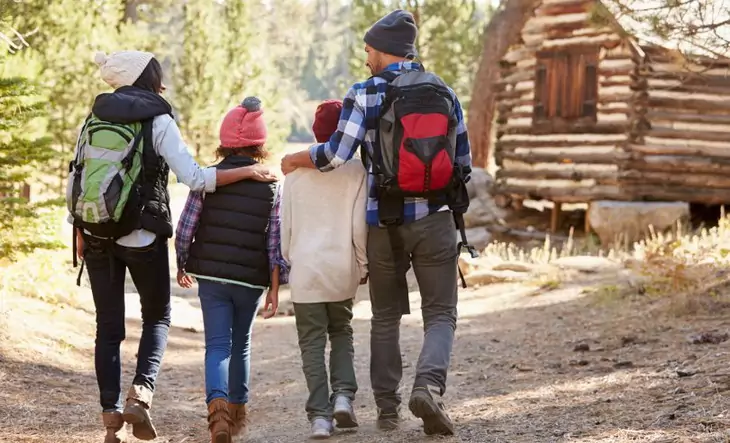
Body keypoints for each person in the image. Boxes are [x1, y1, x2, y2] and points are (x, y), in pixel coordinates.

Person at [67, 51, 277, 443]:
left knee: (107, 327)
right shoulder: (158, 119)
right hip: (142, 235)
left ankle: (110, 417)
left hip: (95, 234)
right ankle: (141, 396)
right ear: (148, 80)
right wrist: (248, 170)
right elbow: (195, 178)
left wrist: (78, 225)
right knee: (158, 316)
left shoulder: (94, 117)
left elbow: (77, 174)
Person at [280, 10, 472, 437]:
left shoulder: (364, 92)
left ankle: (388, 411)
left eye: (368, 49)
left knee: (386, 316)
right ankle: (428, 387)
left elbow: (335, 155)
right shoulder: (444, 91)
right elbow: (464, 163)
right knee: (440, 313)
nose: (366, 57)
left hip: (384, 221)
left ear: (384, 50)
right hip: (437, 220)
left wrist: (297, 158)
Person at [174, 97, 287, 443]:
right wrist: (275, 286)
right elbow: (275, 244)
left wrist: (182, 261)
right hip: (250, 278)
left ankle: (217, 414)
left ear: (225, 142)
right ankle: (237, 413)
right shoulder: (270, 185)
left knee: (218, 345)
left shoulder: (209, 179)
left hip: (211, 278)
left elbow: (186, 227)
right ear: (260, 144)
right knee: (242, 345)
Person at [280, 100, 368, 439]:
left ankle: (319, 416)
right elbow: (360, 227)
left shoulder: (294, 172)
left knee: (312, 343)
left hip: (306, 269)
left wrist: (292, 259)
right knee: (342, 331)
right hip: (340, 266)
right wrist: (362, 263)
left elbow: (285, 227)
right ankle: (343, 397)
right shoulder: (356, 170)